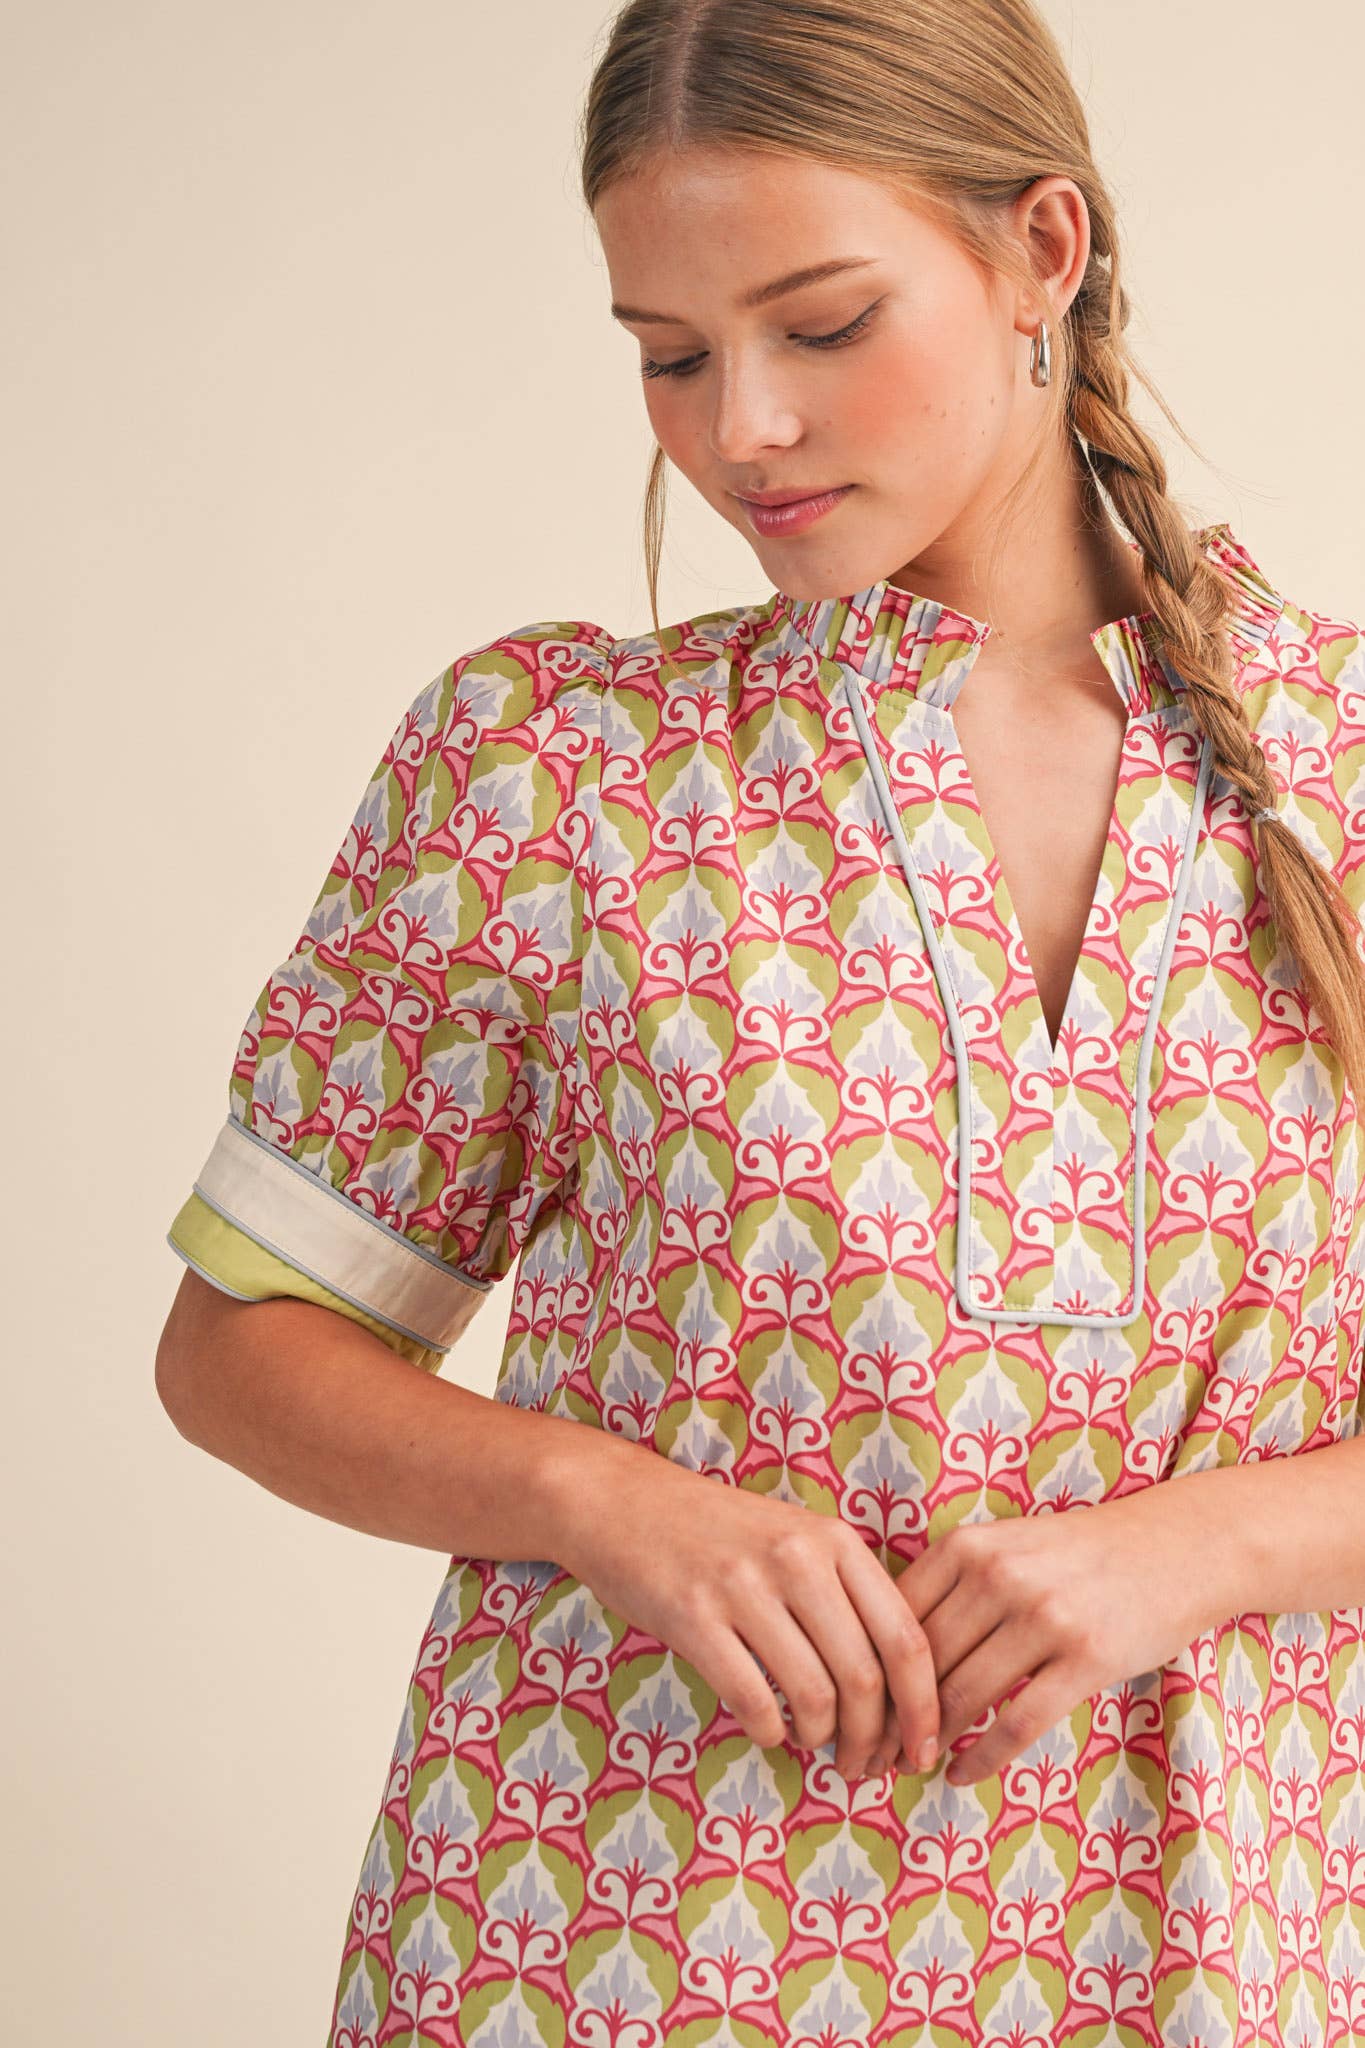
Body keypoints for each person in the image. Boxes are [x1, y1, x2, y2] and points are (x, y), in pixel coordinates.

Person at [154, 1, 1365, 2041]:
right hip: (600, 1932)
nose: (743, 430)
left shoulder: (1343, 763)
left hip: (1206, 1947)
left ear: (1040, 251)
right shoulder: (551, 765)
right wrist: (603, 1503)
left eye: (820, 324)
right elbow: (240, 1348)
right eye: (668, 353)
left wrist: (1203, 1546)